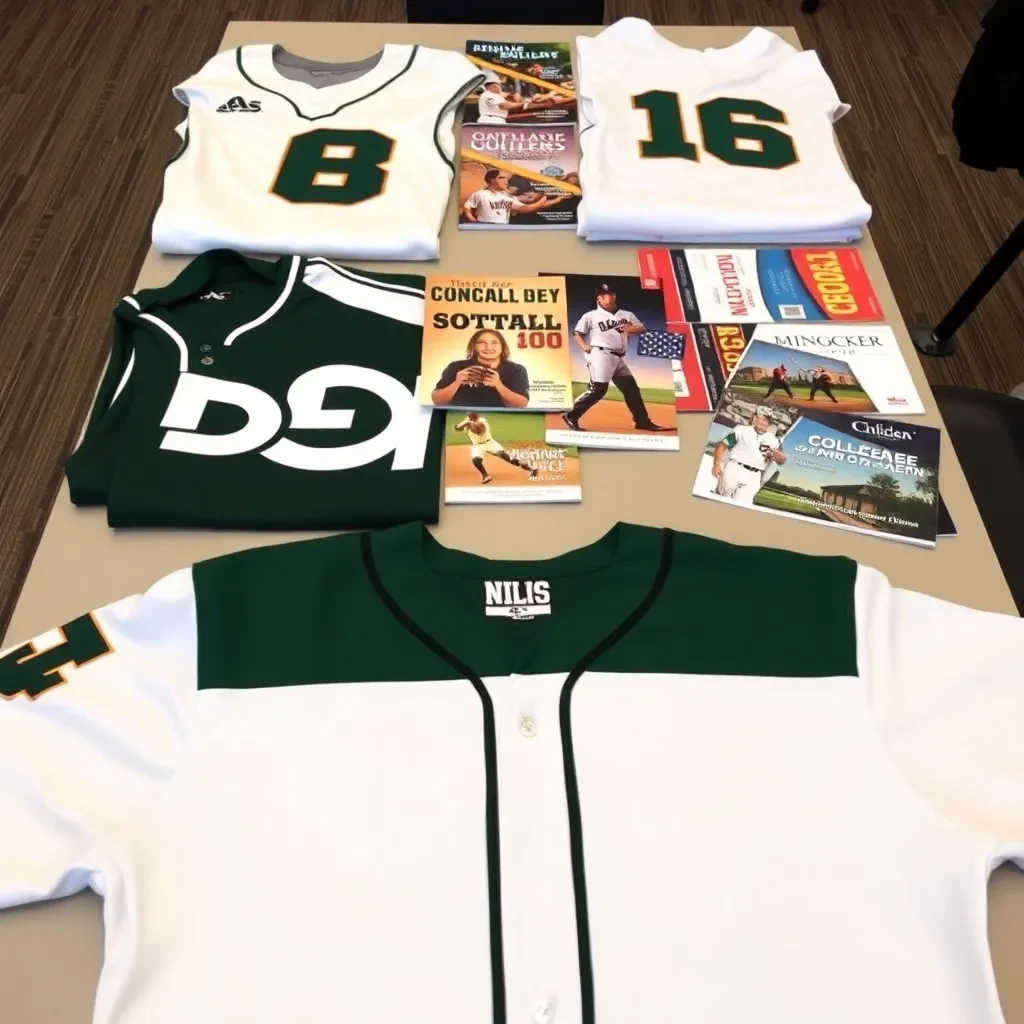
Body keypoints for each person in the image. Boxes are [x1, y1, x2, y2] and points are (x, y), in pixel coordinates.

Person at [561, 284, 669, 432]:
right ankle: (571, 415)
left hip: (618, 357)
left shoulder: (626, 314)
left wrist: (630, 328)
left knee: (631, 389)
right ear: (598, 298)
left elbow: (642, 328)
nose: (609, 296)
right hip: (600, 354)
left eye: (611, 293)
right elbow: (577, 332)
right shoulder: (591, 315)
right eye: (604, 294)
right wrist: (584, 346)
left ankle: (642, 421)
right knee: (598, 389)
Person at [432, 329, 530, 408]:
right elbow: (437, 401)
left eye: (494, 343)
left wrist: (498, 385)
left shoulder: (517, 370)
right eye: (482, 343)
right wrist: (457, 383)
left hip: (502, 419)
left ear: (502, 347)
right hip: (462, 417)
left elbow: (522, 405)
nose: (488, 347)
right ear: (474, 347)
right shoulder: (456, 367)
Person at [711, 405, 787, 505]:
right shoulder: (741, 430)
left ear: (769, 423)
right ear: (753, 418)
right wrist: (716, 464)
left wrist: (780, 458)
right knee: (719, 501)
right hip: (734, 469)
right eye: (758, 418)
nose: (761, 422)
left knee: (741, 508)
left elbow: (782, 460)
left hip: (754, 476)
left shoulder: (773, 440)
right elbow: (722, 446)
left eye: (765, 420)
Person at [454, 412, 537, 484]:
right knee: (476, 460)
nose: (470, 417)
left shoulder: (482, 421)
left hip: (490, 443)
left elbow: (479, 430)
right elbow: (457, 428)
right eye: (469, 416)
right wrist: (465, 423)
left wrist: (469, 424)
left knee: (507, 457)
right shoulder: (467, 421)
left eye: (472, 415)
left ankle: (531, 469)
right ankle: (485, 476)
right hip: (477, 445)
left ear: (476, 416)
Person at [463, 169, 565, 225]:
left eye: (506, 179)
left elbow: (529, 204)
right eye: (502, 178)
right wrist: (474, 222)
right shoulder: (480, 194)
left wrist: (550, 196)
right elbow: (467, 207)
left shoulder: (508, 198)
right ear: (491, 180)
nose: (505, 181)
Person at [474, 71, 558, 124]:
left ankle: (550, 102)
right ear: (489, 85)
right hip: (489, 121)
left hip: (500, 120)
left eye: (498, 84)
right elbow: (506, 105)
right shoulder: (487, 95)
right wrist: (524, 103)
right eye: (496, 84)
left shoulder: (497, 93)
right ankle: (548, 103)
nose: (498, 86)